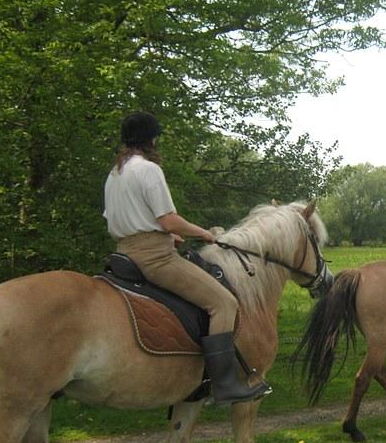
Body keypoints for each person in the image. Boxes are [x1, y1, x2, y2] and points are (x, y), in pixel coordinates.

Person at [103, 111, 270, 403]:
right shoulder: (148, 170)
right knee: (224, 303)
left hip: (124, 252)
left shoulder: (115, 174)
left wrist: (167, 236)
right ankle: (225, 384)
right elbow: (168, 219)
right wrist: (205, 234)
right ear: (151, 139)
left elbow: (122, 220)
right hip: (155, 259)